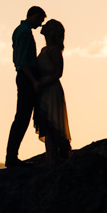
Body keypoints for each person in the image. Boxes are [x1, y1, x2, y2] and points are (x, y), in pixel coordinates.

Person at [5, 6, 46, 167]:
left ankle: (12, 156)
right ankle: (11, 157)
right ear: (33, 15)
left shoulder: (20, 30)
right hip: (26, 78)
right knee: (22, 117)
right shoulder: (25, 32)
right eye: (39, 20)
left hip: (24, 77)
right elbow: (23, 62)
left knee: (22, 117)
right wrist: (34, 81)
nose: (40, 24)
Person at [32, 19, 71, 164]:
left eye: (47, 25)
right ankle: (51, 159)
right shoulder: (44, 50)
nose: (43, 26)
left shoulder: (54, 50)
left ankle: (53, 160)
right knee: (46, 125)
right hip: (44, 91)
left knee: (52, 125)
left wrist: (42, 83)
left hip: (52, 91)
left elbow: (58, 73)